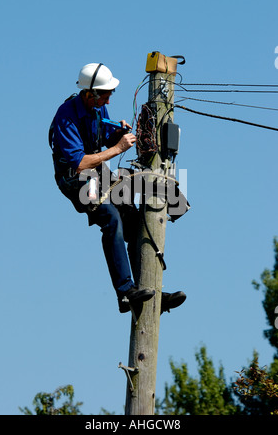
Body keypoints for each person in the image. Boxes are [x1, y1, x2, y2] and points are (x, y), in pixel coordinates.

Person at [49, 63, 186, 314]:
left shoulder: (97, 109)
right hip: (75, 178)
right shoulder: (66, 115)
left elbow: (103, 137)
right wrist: (118, 148)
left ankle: (149, 290)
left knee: (132, 220)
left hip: (97, 174)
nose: (109, 99)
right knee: (110, 217)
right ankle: (125, 292)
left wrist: (117, 134)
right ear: (90, 93)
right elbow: (79, 163)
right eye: (106, 94)